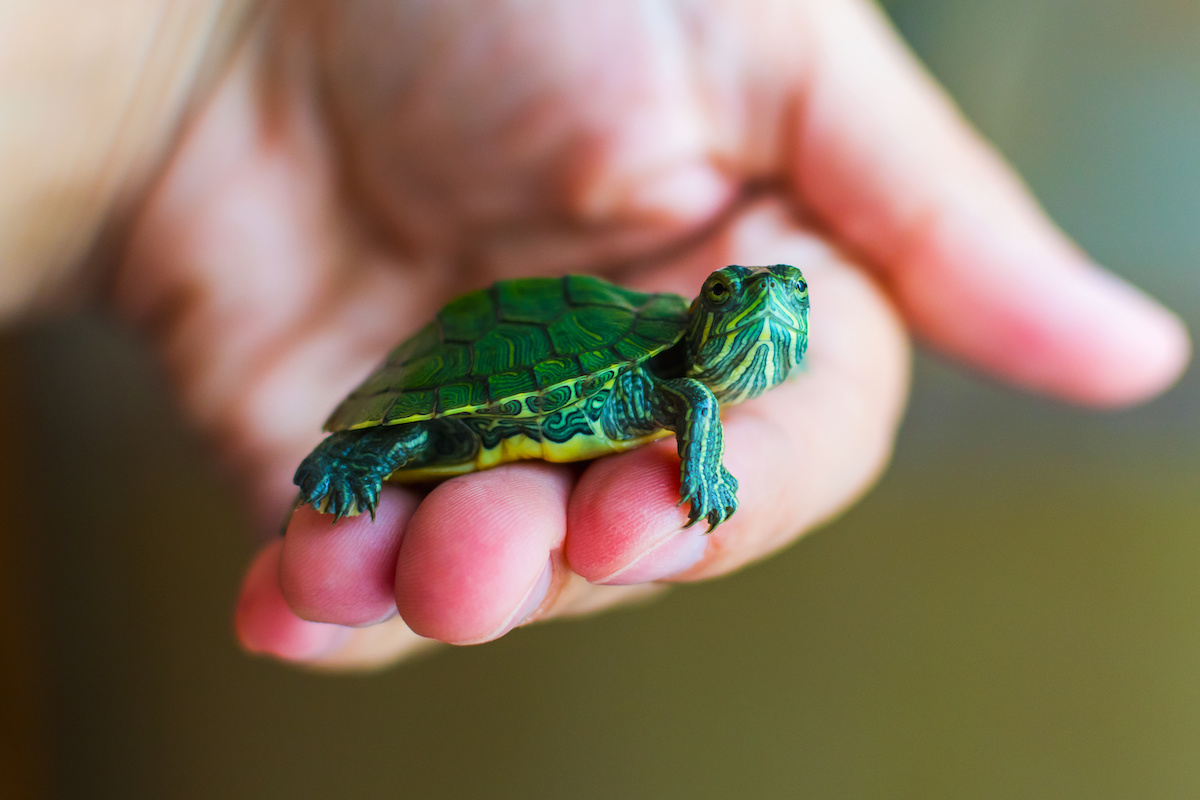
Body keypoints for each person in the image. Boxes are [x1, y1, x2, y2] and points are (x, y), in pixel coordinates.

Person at [2, 0, 1188, 670]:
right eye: (743, 293)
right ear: (710, 313)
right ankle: (362, 448)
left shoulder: (687, 389)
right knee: (383, 470)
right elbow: (683, 418)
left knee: (437, 555)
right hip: (482, 373)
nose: (766, 307)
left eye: (784, 305)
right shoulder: (675, 387)